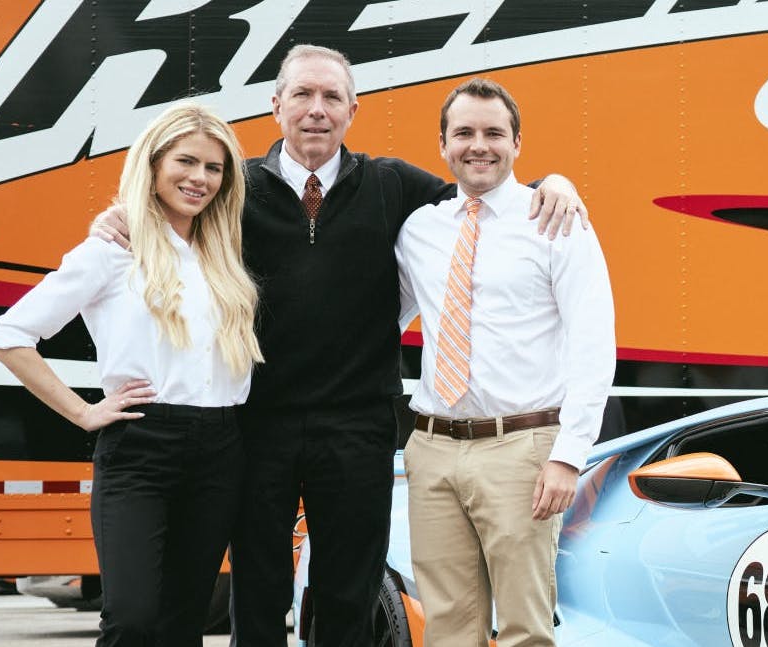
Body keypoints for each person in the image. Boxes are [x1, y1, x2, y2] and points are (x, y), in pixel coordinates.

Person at [95, 45, 585, 647]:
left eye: (332, 97)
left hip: (357, 427)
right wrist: (116, 217)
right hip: (255, 427)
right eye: (302, 94)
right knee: (259, 589)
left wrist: (552, 182)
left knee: (347, 593)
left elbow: (481, 189)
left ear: (353, 110)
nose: (316, 110)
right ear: (276, 105)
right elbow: (167, 209)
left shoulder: (392, 185)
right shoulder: (233, 190)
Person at [0, 102, 263, 646]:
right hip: (141, 448)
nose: (199, 179)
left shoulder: (225, 252)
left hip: (222, 449)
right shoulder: (112, 251)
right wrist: (83, 412)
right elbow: (10, 336)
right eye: (186, 162)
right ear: (154, 165)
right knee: (131, 618)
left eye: (214, 168)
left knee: (184, 621)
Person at [396, 77, 615, 646]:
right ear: (442, 145)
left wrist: (568, 456)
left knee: (524, 628)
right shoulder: (419, 231)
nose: (479, 145)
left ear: (518, 143)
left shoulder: (556, 222)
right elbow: (378, 322)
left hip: (520, 450)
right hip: (433, 451)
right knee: (447, 626)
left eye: (495, 133)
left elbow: (594, 343)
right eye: (463, 132)